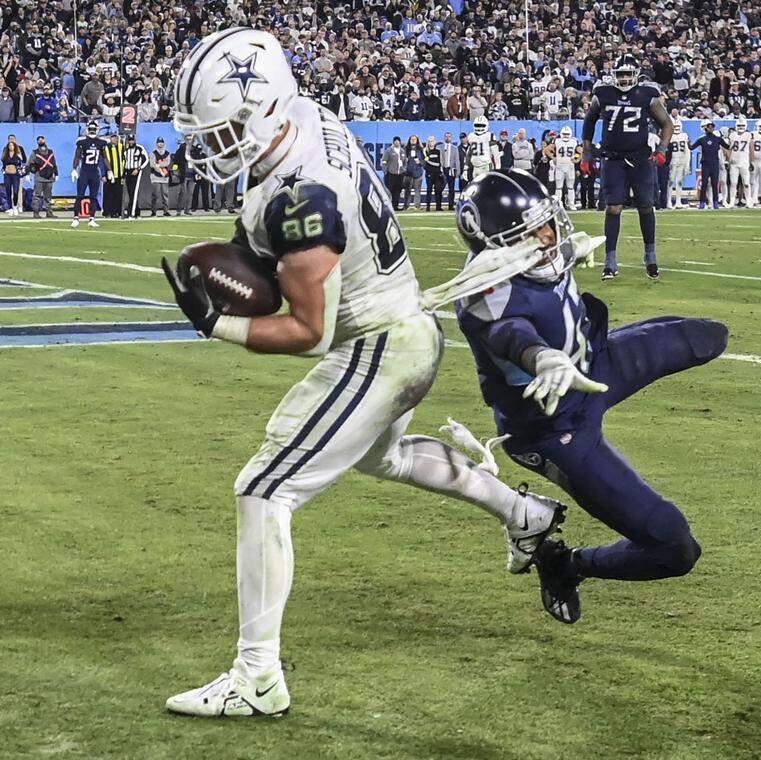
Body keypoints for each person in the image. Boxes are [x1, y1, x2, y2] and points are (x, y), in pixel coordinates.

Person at [161, 28, 566, 719]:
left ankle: (256, 677)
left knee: (263, 489)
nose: (215, 145)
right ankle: (526, 514)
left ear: (262, 112)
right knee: (389, 457)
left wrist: (217, 323)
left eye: (225, 130)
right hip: (405, 325)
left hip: (378, 343)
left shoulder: (303, 199)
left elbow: (309, 333)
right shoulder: (309, 119)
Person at [453, 170, 729, 624]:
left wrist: (569, 250)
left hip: (594, 368)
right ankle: (568, 564)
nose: (549, 235)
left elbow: (550, 264)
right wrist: (541, 359)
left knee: (708, 337)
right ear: (498, 248)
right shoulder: (486, 294)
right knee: (675, 547)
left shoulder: (537, 252)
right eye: (532, 232)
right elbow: (510, 333)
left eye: (549, 223)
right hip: (553, 427)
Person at [580, 54, 672, 281]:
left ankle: (650, 255)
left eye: (627, 75)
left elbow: (666, 123)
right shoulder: (603, 94)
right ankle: (611, 261)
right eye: (620, 75)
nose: (623, 79)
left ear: (635, 75)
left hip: (640, 158)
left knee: (646, 206)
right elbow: (589, 121)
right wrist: (587, 151)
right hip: (613, 158)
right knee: (613, 208)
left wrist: (661, 149)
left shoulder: (647, 94)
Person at [71, 122, 106, 227]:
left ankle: (91, 218)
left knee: (93, 197)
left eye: (93, 129)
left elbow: (104, 158)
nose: (92, 131)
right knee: (80, 196)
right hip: (84, 172)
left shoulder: (101, 143)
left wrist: (108, 171)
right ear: (87, 129)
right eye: (90, 129)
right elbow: (77, 156)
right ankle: (76, 218)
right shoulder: (82, 142)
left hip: (94, 172)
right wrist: (74, 168)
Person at [691, 120, 727, 210]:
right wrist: (688, 142)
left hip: (715, 163)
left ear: (714, 128)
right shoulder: (702, 139)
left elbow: (727, 146)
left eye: (712, 127)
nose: (710, 129)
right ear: (706, 128)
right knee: (704, 184)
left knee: (715, 184)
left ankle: (715, 202)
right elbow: (692, 147)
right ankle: (702, 202)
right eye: (709, 127)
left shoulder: (717, 139)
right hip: (705, 163)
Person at [24, 135, 57, 218]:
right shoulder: (34, 152)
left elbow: (54, 163)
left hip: (49, 177)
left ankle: (49, 212)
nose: (41, 141)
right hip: (39, 177)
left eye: (42, 139)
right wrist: (27, 174)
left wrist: (56, 173)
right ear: (37, 142)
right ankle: (36, 212)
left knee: (48, 196)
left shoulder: (50, 152)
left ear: (44, 140)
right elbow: (29, 163)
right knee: (37, 196)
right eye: (39, 140)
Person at [726, 118, 754, 208]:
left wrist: (751, 161)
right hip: (734, 162)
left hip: (744, 161)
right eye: (739, 126)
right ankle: (732, 201)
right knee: (733, 183)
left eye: (742, 125)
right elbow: (729, 149)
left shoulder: (748, 135)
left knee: (746, 182)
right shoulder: (732, 135)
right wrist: (727, 160)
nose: (741, 127)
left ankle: (748, 200)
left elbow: (751, 149)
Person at [122, 134, 149, 218]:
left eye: (132, 140)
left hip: (136, 171)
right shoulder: (125, 150)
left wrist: (138, 168)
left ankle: (132, 213)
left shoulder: (139, 148)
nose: (131, 142)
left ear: (135, 140)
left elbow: (146, 159)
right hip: (128, 171)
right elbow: (123, 162)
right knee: (130, 193)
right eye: (129, 140)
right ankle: (136, 212)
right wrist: (123, 175)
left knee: (134, 192)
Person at [552, 125, 579, 210]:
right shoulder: (556, 141)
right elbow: (547, 150)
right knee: (558, 187)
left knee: (570, 187)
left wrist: (576, 158)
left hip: (570, 165)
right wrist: (553, 157)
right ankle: (558, 205)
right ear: (561, 134)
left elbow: (580, 151)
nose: (566, 136)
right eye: (564, 134)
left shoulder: (575, 141)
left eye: (567, 134)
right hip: (559, 166)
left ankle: (571, 204)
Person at [668, 116, 691, 209]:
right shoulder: (670, 136)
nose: (677, 128)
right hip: (672, 161)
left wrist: (687, 163)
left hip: (681, 160)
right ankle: (669, 201)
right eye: (675, 126)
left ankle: (678, 201)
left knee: (679, 182)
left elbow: (687, 150)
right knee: (670, 182)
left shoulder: (684, 136)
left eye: (678, 126)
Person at [101, 133, 124, 218]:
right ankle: (107, 212)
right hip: (109, 174)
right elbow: (102, 161)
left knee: (118, 194)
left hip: (119, 175)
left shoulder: (121, 147)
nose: (115, 140)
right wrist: (103, 174)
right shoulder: (106, 147)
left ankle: (117, 211)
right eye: (113, 138)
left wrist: (123, 174)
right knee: (108, 194)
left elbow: (124, 160)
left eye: (116, 138)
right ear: (110, 139)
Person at [381, 136, 406, 210]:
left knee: (397, 191)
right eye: (395, 141)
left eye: (398, 141)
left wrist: (403, 170)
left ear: (400, 142)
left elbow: (405, 162)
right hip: (391, 174)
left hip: (399, 175)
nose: (397, 142)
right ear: (393, 142)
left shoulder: (402, 151)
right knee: (389, 191)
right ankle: (388, 207)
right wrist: (385, 171)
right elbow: (384, 161)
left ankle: (395, 206)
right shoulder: (389, 151)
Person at [149, 137, 172, 217]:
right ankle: (153, 211)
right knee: (155, 195)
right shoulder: (153, 153)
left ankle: (166, 211)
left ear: (164, 143)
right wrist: (159, 167)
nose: (160, 144)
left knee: (165, 195)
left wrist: (158, 164)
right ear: (156, 143)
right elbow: (152, 164)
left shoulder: (167, 153)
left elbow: (167, 163)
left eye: (161, 142)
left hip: (165, 177)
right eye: (159, 142)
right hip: (155, 176)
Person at [2, 134, 24, 215]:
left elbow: (22, 162)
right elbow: (3, 162)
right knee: (8, 191)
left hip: (15, 175)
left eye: (12, 145)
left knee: (15, 191)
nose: (11, 146)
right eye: (9, 145)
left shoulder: (18, 152)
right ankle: (10, 207)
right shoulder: (5, 153)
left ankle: (15, 206)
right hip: (7, 175)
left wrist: (23, 172)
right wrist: (3, 170)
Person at [403, 134, 425, 210]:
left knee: (417, 190)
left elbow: (425, 161)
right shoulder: (405, 149)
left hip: (418, 173)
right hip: (407, 173)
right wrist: (405, 161)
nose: (413, 140)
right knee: (407, 190)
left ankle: (417, 206)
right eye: (411, 139)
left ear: (417, 140)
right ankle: (406, 206)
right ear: (409, 140)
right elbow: (401, 160)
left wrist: (420, 162)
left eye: (414, 139)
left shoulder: (421, 149)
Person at [423, 135, 444, 211]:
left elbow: (440, 162)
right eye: (429, 141)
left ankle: (438, 207)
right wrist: (435, 164)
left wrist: (440, 170)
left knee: (438, 191)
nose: (431, 142)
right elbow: (426, 162)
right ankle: (428, 207)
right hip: (429, 174)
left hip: (437, 174)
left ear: (435, 142)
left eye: (432, 141)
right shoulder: (425, 151)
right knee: (429, 190)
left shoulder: (438, 151)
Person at [439, 132, 459, 210]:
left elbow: (457, 160)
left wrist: (458, 172)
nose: (448, 138)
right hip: (442, 169)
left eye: (449, 136)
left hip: (451, 170)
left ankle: (451, 205)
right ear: (444, 138)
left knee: (451, 189)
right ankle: (439, 205)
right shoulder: (439, 147)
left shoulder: (455, 148)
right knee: (440, 188)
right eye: (446, 136)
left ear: (451, 138)